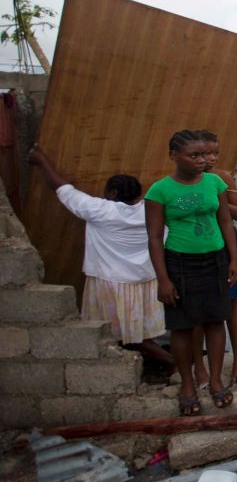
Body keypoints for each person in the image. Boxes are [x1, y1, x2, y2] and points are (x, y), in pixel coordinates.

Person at [26, 145, 173, 368]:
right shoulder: (151, 211)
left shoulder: (100, 210)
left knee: (120, 337)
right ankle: (156, 363)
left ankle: (171, 363)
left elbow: (63, 188)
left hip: (109, 284)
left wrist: (40, 159)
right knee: (138, 333)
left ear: (112, 193)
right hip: (145, 283)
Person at [145, 130, 237, 415]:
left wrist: (233, 259)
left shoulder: (214, 182)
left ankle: (214, 380)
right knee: (183, 326)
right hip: (180, 264)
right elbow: (153, 237)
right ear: (174, 156)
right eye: (194, 155)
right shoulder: (159, 190)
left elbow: (225, 221)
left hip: (215, 261)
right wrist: (163, 279)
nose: (201, 160)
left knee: (215, 320)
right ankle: (187, 385)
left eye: (204, 155)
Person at [190, 130, 237, 388]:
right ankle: (199, 367)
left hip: (227, 249)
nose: (211, 158)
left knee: (231, 307)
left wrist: (219, 200)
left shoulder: (222, 178)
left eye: (215, 153)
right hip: (196, 251)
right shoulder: (183, 182)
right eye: (205, 153)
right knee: (196, 314)